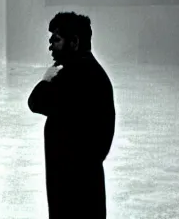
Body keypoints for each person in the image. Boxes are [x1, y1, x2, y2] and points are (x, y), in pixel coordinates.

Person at [28, 12, 116, 219]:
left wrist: (45, 79)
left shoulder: (73, 75)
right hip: (85, 183)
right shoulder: (94, 72)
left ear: (74, 42)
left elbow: (35, 102)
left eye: (56, 40)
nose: (50, 46)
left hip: (70, 188)